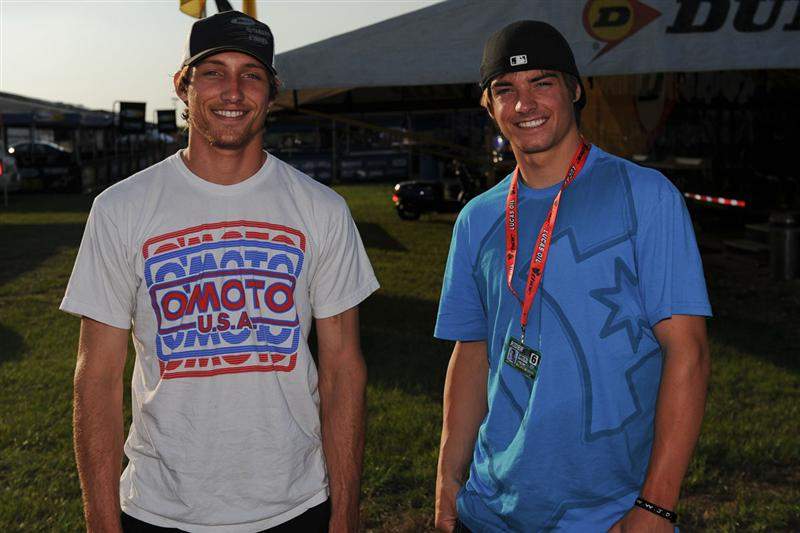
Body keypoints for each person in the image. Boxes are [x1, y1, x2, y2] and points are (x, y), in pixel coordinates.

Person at [61, 11, 379, 533]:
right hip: (158, 511)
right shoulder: (120, 209)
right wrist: (101, 522)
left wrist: (343, 517)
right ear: (182, 86)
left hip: (295, 506)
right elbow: (95, 377)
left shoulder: (322, 210)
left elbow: (344, 370)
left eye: (251, 74)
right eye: (213, 72)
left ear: (271, 92)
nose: (233, 91)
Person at [434, 20, 711, 532]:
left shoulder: (645, 196)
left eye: (542, 83)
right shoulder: (477, 218)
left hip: (607, 515)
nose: (525, 104)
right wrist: (449, 481)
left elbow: (688, 351)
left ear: (576, 88)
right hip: (489, 510)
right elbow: (471, 352)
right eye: (505, 90)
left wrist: (654, 507)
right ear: (488, 107)